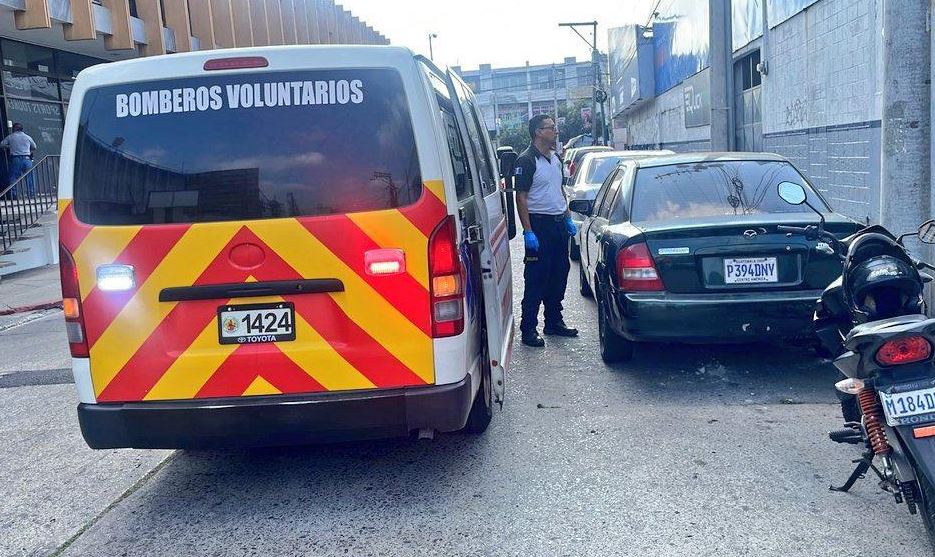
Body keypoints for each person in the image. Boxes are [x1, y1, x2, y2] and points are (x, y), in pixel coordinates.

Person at [513, 114, 578, 347]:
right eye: (551, 128)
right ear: (538, 132)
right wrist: (528, 231)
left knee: (559, 273)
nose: (555, 131)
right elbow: (521, 198)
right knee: (536, 278)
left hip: (559, 224)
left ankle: (553, 322)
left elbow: (559, 189)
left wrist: (568, 217)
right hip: (539, 226)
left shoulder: (556, 158)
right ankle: (528, 329)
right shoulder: (527, 160)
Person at [0, 123, 37, 198]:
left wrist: (10, 146)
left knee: (13, 178)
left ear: (14, 129)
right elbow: (34, 147)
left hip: (16, 159)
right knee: (29, 177)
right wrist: (26, 149)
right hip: (27, 159)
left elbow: (1, 144)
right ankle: (31, 195)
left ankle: (14, 196)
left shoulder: (11, 137)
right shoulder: (27, 137)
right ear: (22, 129)